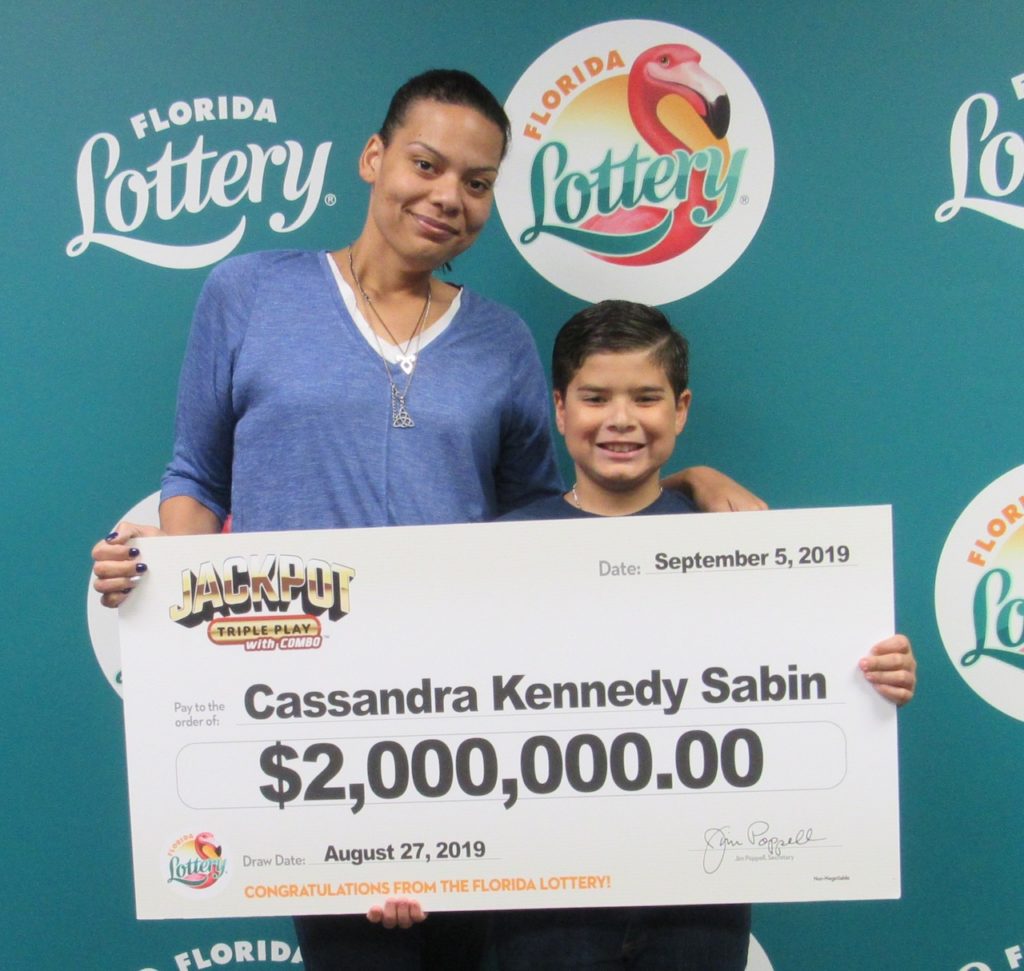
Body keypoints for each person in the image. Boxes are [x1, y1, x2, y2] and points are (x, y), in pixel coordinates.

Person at [91, 71, 765, 971]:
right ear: (375, 158)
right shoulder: (248, 292)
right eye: (426, 164)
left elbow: (551, 517)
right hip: (301, 721)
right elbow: (197, 472)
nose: (448, 196)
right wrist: (174, 588)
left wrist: (689, 479)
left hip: (460, 733)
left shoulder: (502, 342)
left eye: (477, 182)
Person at [493, 299, 917, 970]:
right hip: (544, 910)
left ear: (682, 408)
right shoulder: (491, 552)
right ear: (561, 408)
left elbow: (802, 680)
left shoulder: (742, 541)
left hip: (699, 904)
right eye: (596, 396)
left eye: (647, 397)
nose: (622, 419)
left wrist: (874, 672)